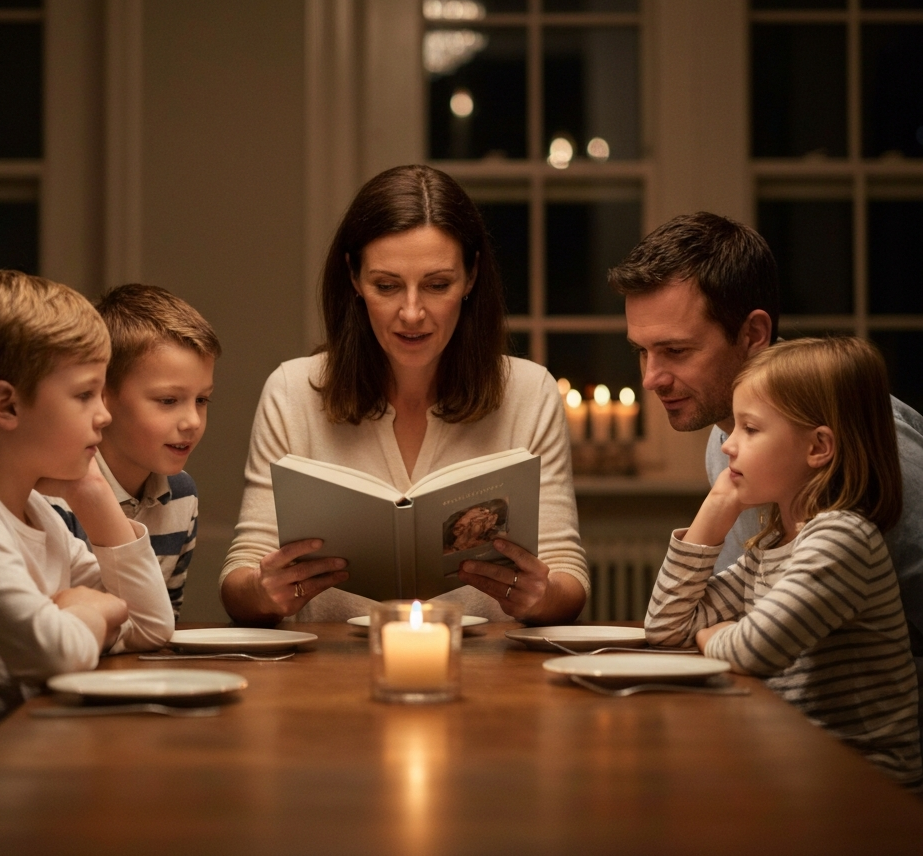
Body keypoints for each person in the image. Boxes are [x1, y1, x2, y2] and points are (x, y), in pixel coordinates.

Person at [219, 165, 588, 625]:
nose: (411, 313)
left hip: (489, 675)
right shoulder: (293, 391)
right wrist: (262, 591)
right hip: (328, 676)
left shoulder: (530, 393)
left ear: (471, 277)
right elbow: (240, 576)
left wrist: (541, 597)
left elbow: (568, 577)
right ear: (354, 278)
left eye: (437, 285)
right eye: (387, 286)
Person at [609, 211, 923, 721]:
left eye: (675, 351)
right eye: (642, 353)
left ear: (753, 333)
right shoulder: (728, 440)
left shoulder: (868, 441)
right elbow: (695, 621)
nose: (651, 378)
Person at [0, 271, 174, 791]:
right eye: (85, 394)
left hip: (17, 766)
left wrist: (91, 493)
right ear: (6, 406)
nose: (104, 415)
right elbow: (53, 652)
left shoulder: (38, 511)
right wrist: (82, 609)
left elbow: (150, 625)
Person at [645, 337, 921, 789]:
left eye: (749, 429)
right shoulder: (773, 546)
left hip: (866, 790)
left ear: (818, 448)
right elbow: (664, 627)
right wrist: (715, 508)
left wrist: (714, 634)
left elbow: (752, 651)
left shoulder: (841, 540)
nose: (729, 446)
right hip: (801, 766)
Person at [50, 284, 221, 618]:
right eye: (168, 401)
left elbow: (163, 621)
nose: (191, 422)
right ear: (104, 396)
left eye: (202, 400)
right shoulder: (56, 498)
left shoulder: (183, 495)